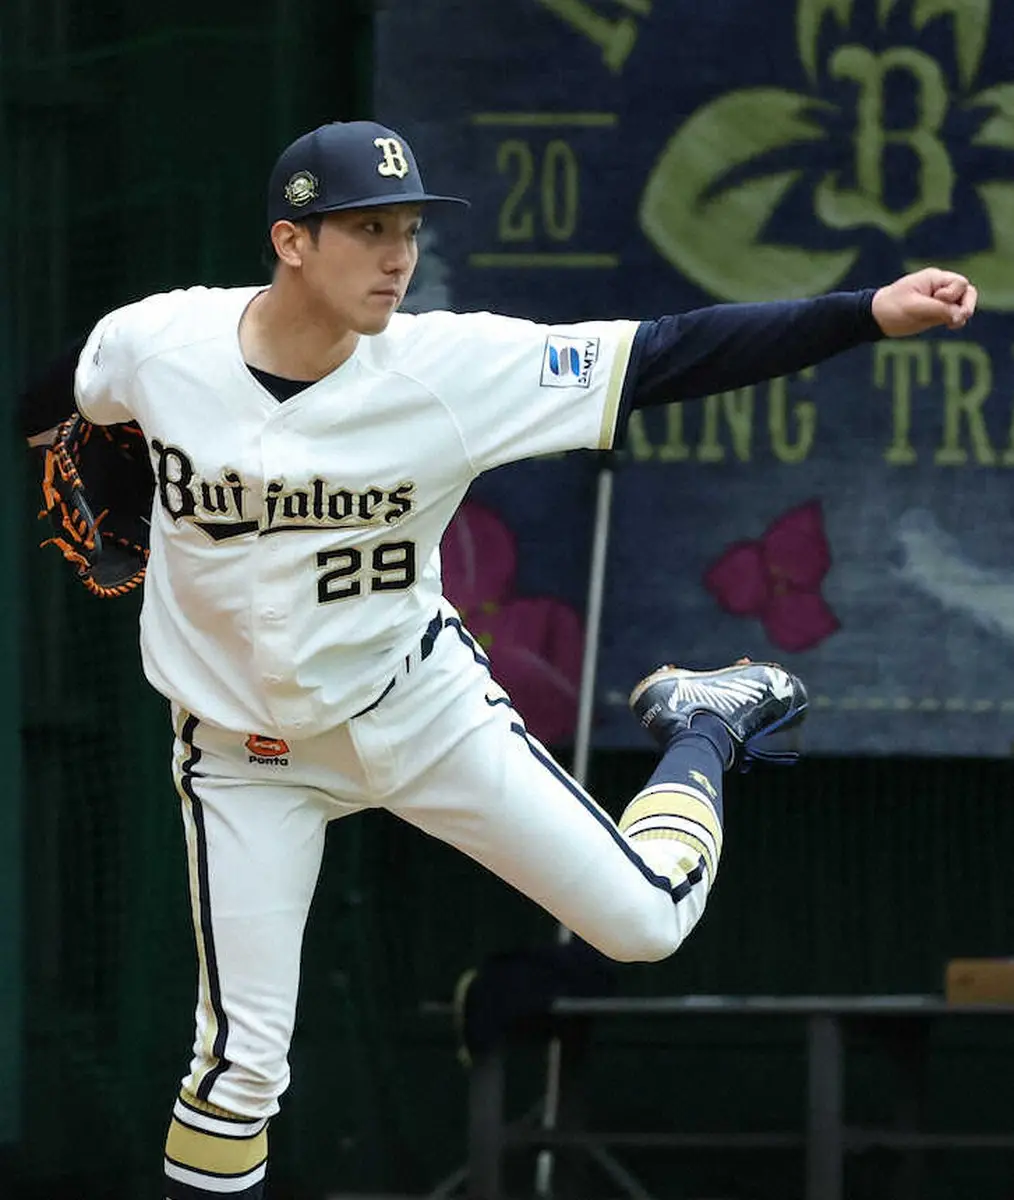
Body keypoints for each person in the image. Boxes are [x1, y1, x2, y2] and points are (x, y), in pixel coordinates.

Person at [20, 119, 976, 1200]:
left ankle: (705, 722)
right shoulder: (161, 345)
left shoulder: (450, 367)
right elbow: (62, 397)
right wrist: (52, 448)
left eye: (409, 230)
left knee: (645, 925)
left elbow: (667, 353)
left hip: (420, 713)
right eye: (367, 229)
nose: (398, 256)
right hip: (247, 760)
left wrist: (865, 312)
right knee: (238, 1071)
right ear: (292, 241)